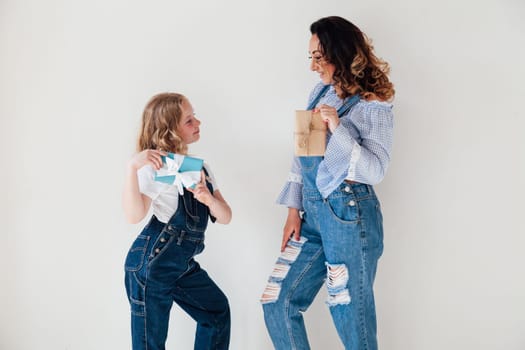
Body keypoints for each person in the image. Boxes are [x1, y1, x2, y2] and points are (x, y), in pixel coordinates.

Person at [261, 16, 395, 350]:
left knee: (350, 316)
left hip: (349, 216)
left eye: (318, 57)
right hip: (312, 215)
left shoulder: (373, 104)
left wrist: (338, 128)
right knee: (277, 301)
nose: (313, 66)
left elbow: (375, 170)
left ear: (341, 52)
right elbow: (301, 154)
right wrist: (293, 209)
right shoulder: (320, 91)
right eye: (311, 57)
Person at [122, 92, 232, 350]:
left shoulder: (199, 168)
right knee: (151, 344)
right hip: (151, 265)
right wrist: (132, 169)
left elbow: (225, 216)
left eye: (195, 118)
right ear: (170, 130)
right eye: (189, 121)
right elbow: (134, 215)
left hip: (181, 265)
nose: (198, 124)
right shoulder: (158, 167)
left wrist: (209, 200)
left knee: (216, 312)